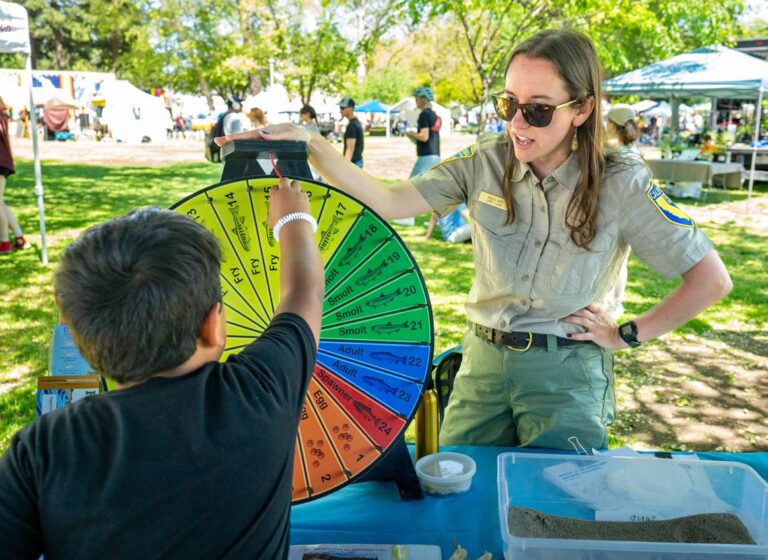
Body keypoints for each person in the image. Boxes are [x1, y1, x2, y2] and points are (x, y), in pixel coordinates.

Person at [215, 29, 732, 451]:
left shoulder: (621, 180)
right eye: (509, 103)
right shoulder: (485, 160)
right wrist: (313, 144)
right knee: (459, 497)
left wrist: (626, 335)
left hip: (567, 375)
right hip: (482, 362)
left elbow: (709, 278)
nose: (516, 122)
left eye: (538, 109)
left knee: (555, 512)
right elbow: (393, 202)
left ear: (583, 109)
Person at [0, 179, 324, 557]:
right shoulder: (259, 392)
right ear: (213, 326)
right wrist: (294, 219)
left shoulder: (43, 448)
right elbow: (304, 294)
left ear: (79, 340)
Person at [604, 104, 642, 320]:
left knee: (609, 262)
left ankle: (610, 303)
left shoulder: (614, 154)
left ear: (613, 125)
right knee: (620, 262)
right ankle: (616, 302)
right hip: (629, 214)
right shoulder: (636, 152)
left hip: (612, 214)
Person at [0, 97, 27, 254]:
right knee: (0, 202)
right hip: (4, 161)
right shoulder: (3, 114)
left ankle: (3, 242)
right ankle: (18, 237)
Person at [339, 97, 364, 168]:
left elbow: (350, 148)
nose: (341, 110)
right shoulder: (356, 122)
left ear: (351, 108)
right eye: (340, 108)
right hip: (357, 161)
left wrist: (346, 166)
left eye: (343, 108)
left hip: (353, 163)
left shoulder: (352, 125)